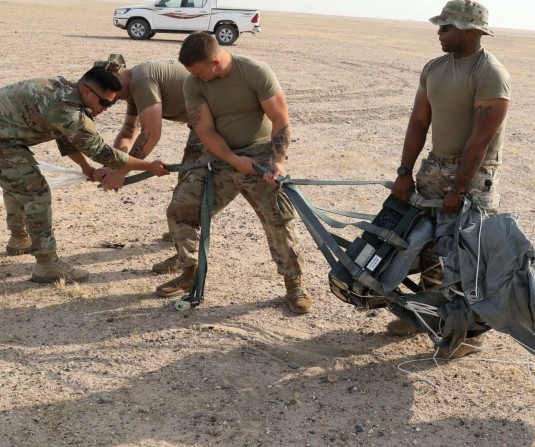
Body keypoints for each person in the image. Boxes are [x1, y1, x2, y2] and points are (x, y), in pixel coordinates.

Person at [154, 31, 313, 314]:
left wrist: (278, 161)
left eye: (199, 72)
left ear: (215, 62)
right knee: (180, 210)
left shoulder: (255, 71)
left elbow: (280, 118)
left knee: (279, 219)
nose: (195, 78)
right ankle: (189, 271)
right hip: (219, 158)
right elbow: (204, 129)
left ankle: (294, 284)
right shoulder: (193, 83)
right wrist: (231, 158)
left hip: (261, 156)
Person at [389, 0, 512, 355]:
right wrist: (404, 172)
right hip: (435, 166)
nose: (439, 32)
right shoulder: (435, 68)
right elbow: (418, 121)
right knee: (426, 247)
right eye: (440, 25)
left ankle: (469, 336)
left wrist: (459, 188)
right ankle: (429, 316)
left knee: (467, 257)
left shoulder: (491, 73)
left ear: (470, 32)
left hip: (473, 175)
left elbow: (481, 139)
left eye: (446, 26)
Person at [0, 66, 169, 283]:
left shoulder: (64, 91)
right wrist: (149, 166)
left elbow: (65, 136)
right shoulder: (68, 111)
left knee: (18, 182)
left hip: (7, 136)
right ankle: (46, 264)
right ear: (88, 92)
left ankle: (19, 239)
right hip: (5, 141)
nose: (106, 109)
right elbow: (105, 154)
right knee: (35, 192)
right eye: (105, 103)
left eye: (113, 103)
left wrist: (86, 169)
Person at [92, 54, 201, 272]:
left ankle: (187, 255)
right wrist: (114, 164)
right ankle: (181, 228)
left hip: (218, 123)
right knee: (189, 184)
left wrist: (122, 171)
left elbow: (151, 133)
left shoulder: (141, 81)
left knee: (194, 187)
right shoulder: (132, 87)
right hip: (202, 124)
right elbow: (128, 131)